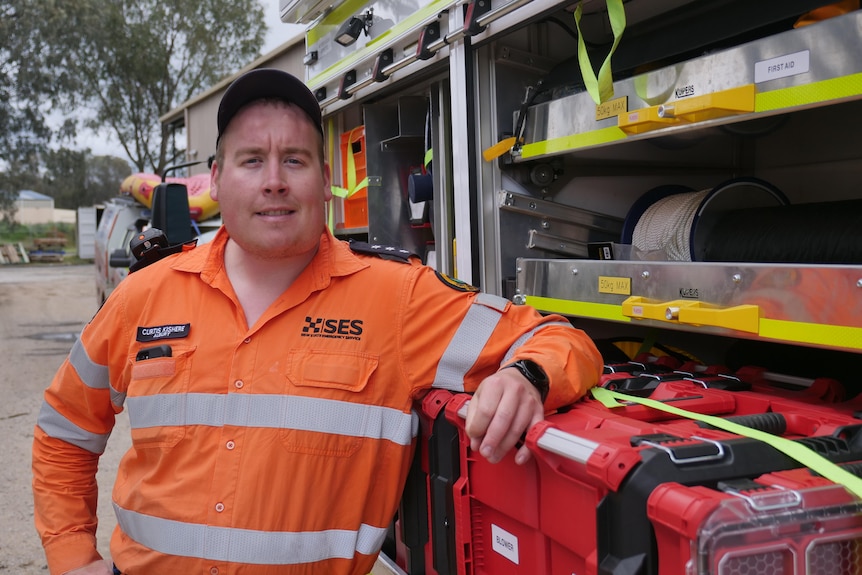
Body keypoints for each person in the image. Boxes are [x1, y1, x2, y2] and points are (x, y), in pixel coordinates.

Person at [32, 68, 602, 575]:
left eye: (295, 160)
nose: (273, 180)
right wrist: (71, 555)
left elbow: (559, 338)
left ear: (325, 180)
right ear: (218, 177)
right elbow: (63, 430)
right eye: (252, 160)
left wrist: (527, 376)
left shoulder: (397, 302)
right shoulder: (144, 295)